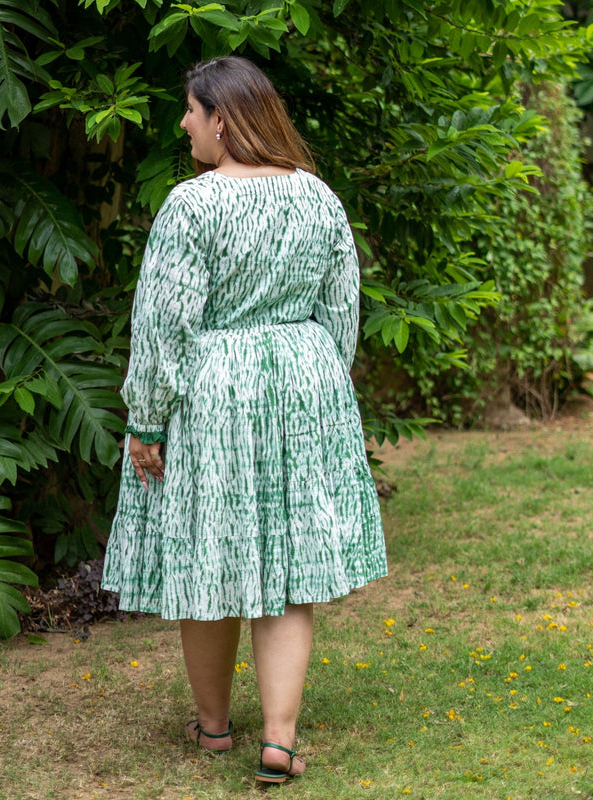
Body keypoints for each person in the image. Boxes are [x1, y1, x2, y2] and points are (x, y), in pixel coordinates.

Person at [101, 55, 387, 784]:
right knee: (288, 568)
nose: (184, 123)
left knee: (208, 553)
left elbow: (165, 323)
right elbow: (342, 314)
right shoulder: (319, 199)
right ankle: (281, 740)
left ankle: (217, 729)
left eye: (192, 111)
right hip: (303, 381)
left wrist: (148, 421)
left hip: (215, 389)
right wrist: (316, 380)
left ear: (222, 119)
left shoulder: (191, 206)